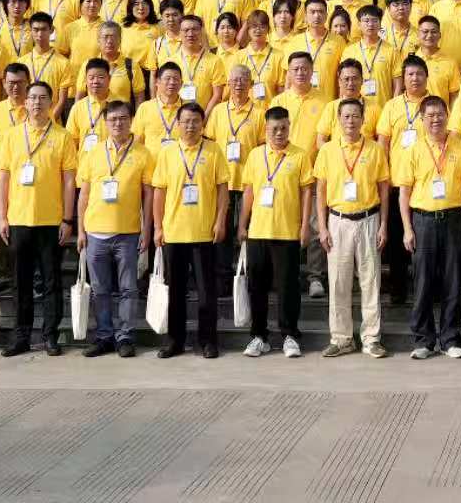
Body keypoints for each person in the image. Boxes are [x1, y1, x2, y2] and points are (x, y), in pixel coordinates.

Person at [0, 80, 76, 356]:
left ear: (51, 102)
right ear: (25, 102)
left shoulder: (63, 136)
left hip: (51, 221)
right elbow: (3, 178)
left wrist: (67, 219)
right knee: (21, 282)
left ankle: (50, 335)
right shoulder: (11, 136)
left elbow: (69, 180)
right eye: (32, 98)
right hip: (19, 220)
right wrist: (2, 216)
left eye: (43, 98)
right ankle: (21, 336)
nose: (37, 102)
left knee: (52, 282)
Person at [396, 93, 461, 360]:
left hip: (453, 219)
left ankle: (450, 338)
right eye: (429, 115)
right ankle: (424, 340)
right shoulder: (413, 150)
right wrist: (407, 228)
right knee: (423, 281)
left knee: (453, 281)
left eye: (440, 114)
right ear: (421, 119)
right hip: (423, 221)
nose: (435, 119)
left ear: (447, 116)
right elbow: (404, 193)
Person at [150, 100, 229, 358]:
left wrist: (220, 221)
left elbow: (222, 190)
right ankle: (175, 341)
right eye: (185, 121)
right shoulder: (168, 152)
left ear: (202, 124)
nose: (190, 126)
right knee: (176, 291)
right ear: (177, 124)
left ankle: (207, 341)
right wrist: (157, 227)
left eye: (196, 121)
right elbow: (159, 192)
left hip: (204, 233)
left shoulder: (214, 150)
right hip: (174, 232)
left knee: (207, 292)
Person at [315, 97, 389, 358]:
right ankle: (342, 338)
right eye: (346, 116)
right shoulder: (327, 151)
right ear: (338, 120)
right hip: (338, 221)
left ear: (363, 119)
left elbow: (384, 188)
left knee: (371, 281)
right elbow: (320, 190)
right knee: (338, 282)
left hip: (368, 219)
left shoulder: (375, 150)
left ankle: (371, 338)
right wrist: (322, 227)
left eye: (356, 116)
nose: (351, 121)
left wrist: (383, 225)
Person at [76, 100, 148, 357]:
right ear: (105, 123)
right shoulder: (93, 153)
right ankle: (104, 335)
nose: (118, 123)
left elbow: (148, 196)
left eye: (123, 118)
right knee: (100, 290)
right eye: (113, 119)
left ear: (131, 121)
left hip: (128, 233)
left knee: (128, 289)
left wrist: (147, 230)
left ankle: (125, 336)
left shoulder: (143, 154)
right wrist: (81, 230)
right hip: (95, 233)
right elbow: (84, 195)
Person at [241, 106, 313, 357]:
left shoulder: (300, 155)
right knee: (257, 287)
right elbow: (248, 191)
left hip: (287, 232)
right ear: (266, 129)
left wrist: (305, 226)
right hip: (258, 232)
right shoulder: (255, 155)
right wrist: (242, 224)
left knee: (288, 288)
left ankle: (290, 335)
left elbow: (306, 192)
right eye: (274, 129)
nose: (279, 133)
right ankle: (258, 336)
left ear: (289, 127)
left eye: (283, 128)